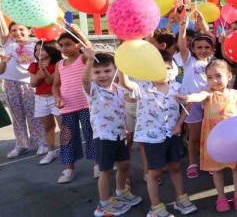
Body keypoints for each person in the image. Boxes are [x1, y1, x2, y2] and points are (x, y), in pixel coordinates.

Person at [121, 51, 197, 217]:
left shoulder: (177, 87)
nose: (165, 71)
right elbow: (125, 83)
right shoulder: (142, 86)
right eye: (159, 68)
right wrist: (123, 64)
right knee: (154, 172)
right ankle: (155, 207)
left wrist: (179, 124)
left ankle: (180, 198)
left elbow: (188, 104)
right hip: (151, 137)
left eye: (168, 68)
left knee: (175, 167)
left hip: (172, 134)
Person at [177, 60, 237, 212]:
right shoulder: (208, 94)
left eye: (218, 76)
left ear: (229, 76)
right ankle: (221, 197)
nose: (214, 81)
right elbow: (198, 96)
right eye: (209, 77)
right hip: (214, 139)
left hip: (233, 137)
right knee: (216, 169)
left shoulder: (235, 94)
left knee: (236, 167)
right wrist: (187, 98)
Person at [81, 48, 141, 216]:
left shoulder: (119, 88)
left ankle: (121, 192)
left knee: (124, 165)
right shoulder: (93, 90)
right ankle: (104, 204)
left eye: (107, 71)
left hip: (120, 134)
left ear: (115, 71)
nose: (102, 75)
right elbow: (85, 80)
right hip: (103, 136)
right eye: (97, 72)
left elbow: (121, 110)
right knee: (105, 171)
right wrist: (90, 61)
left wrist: (126, 128)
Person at [53, 29, 96, 184]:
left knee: (91, 134)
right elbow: (55, 85)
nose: (64, 48)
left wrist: (79, 33)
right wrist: (57, 97)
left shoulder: (83, 59)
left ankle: (97, 165)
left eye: (68, 44)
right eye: (61, 45)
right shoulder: (59, 64)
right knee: (67, 137)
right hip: (67, 107)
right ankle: (69, 169)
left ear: (77, 45)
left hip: (86, 105)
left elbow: (89, 49)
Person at [0, 17, 45, 159]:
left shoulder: (36, 47)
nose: (17, 32)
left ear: (29, 31)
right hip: (10, 83)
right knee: (17, 115)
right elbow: (3, 28)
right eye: (13, 30)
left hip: (29, 84)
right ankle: (21, 143)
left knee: (33, 114)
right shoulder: (8, 44)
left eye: (21, 29)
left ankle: (40, 142)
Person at [177, 12, 215, 180]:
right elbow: (182, 46)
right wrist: (182, 29)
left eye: (207, 48)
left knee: (209, 135)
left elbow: (211, 38)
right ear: (192, 49)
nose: (203, 50)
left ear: (212, 50)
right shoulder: (188, 61)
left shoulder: (212, 63)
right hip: (191, 103)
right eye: (199, 47)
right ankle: (193, 163)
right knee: (194, 136)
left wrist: (204, 23)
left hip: (209, 103)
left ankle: (210, 161)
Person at [28, 41, 62, 165]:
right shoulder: (34, 65)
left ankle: (66, 150)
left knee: (63, 126)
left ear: (51, 50)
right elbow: (33, 83)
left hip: (55, 98)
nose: (38, 52)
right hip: (40, 100)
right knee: (48, 127)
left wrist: (45, 71)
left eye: (42, 49)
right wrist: (37, 75)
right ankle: (51, 152)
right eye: (36, 50)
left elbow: (51, 82)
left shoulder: (58, 64)